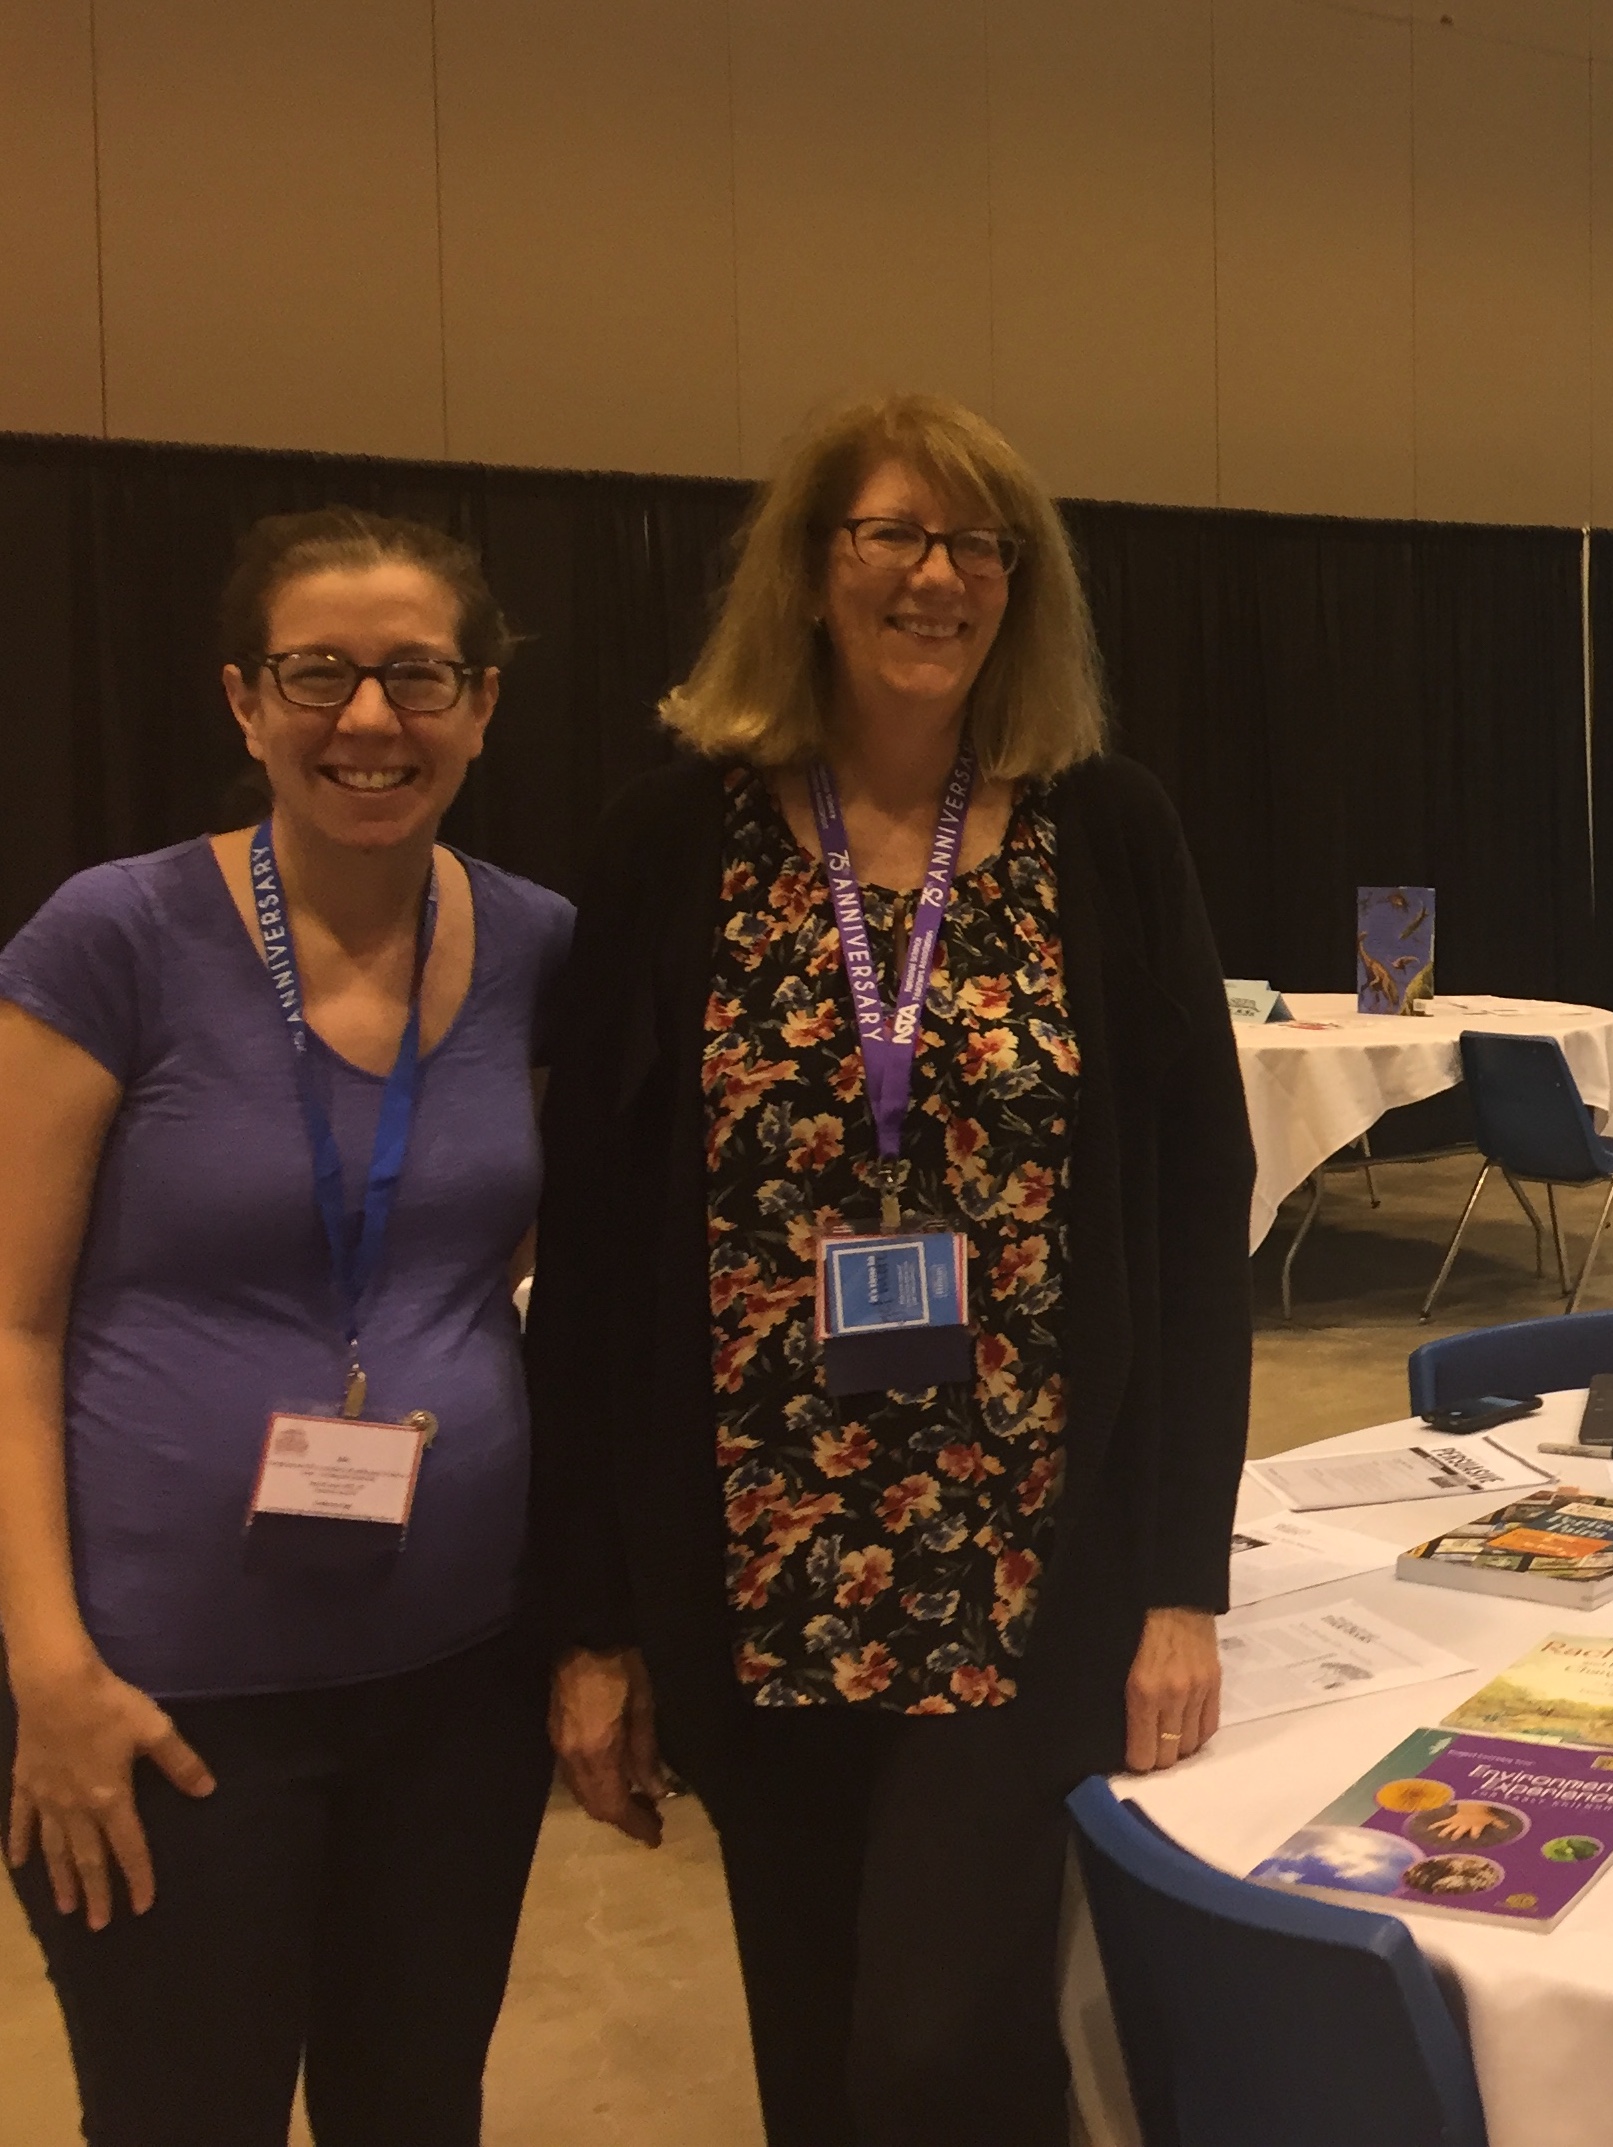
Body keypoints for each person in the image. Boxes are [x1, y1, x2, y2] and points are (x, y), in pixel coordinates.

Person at [527, 392, 1252, 2143]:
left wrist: (1180, 1581)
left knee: (938, 2047)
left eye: (979, 545)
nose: (939, 577)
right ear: (810, 566)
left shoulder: (1107, 831)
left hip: (1023, 1556)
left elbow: (1188, 1211)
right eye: (895, 537)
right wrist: (594, 1628)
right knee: (818, 2041)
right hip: (756, 1556)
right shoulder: (671, 844)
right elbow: (601, 1263)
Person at [0, 508, 572, 2143]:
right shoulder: (112, 940)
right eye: (320, 674)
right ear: (245, 701)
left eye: (417, 676)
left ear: (481, 705)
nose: (370, 722)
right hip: (166, 1703)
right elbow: (11, 1325)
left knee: (415, 2109)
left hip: (457, 1688)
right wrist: (48, 1674)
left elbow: (522, 1247)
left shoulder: (537, 948)